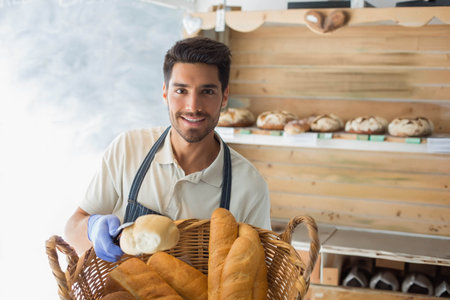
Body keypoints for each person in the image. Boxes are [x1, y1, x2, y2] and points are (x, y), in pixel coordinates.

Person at [64, 36, 271, 262]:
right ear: (165, 93)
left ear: (224, 97)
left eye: (207, 91)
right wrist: (92, 228)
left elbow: (258, 270)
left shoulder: (251, 187)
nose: (193, 106)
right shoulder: (128, 149)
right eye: (181, 91)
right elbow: (73, 227)